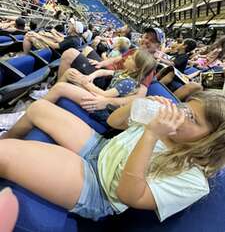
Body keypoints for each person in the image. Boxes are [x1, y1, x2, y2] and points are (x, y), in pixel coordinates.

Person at [1, 90, 225, 222]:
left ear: (211, 140)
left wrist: (151, 136)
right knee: (39, 108)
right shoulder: (163, 121)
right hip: (101, 149)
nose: (181, 114)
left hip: (99, 188)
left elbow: (128, 196)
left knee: (7, 155)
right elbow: (113, 122)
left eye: (193, 118)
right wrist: (136, 106)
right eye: (185, 107)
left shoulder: (194, 181)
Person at [57, 27, 163, 110]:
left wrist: (107, 101)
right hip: (109, 74)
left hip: (109, 84)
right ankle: (60, 85)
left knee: (69, 54)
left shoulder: (147, 65)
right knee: (87, 49)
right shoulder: (134, 51)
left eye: (152, 40)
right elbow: (115, 59)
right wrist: (100, 63)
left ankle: (57, 89)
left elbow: (139, 96)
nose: (147, 41)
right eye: (146, 37)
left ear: (158, 47)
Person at [44, 50, 156, 121]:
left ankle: (45, 104)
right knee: (70, 72)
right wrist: (90, 77)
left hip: (103, 109)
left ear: (136, 68)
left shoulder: (129, 83)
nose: (127, 57)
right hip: (99, 96)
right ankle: (49, 97)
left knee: (66, 81)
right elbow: (104, 72)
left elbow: (105, 95)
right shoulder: (124, 73)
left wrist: (86, 84)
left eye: (132, 58)